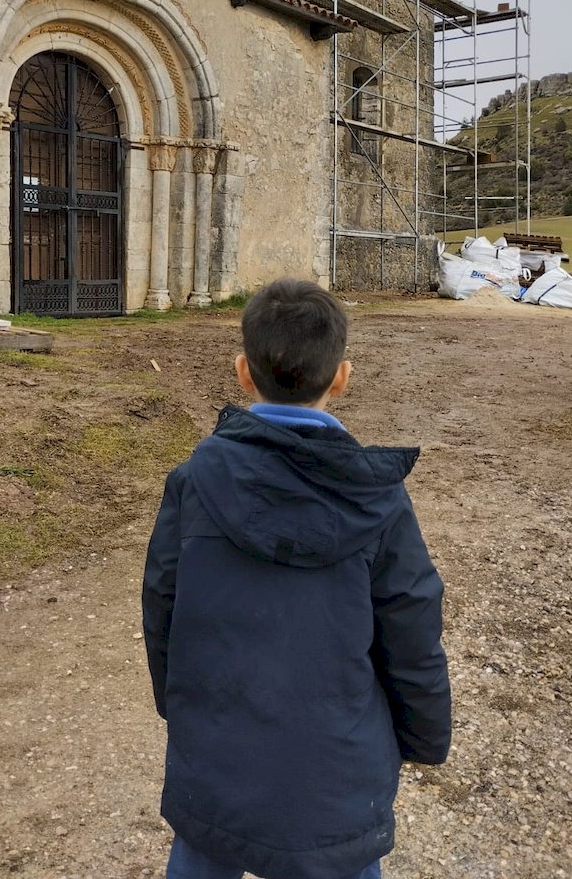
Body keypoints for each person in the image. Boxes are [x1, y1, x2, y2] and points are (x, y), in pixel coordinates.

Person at [142, 278, 451, 879]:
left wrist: (179, 704)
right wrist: (425, 735)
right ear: (341, 377)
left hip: (217, 758)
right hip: (336, 771)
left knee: (204, 854)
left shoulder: (193, 484)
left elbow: (163, 604)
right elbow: (412, 627)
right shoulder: (379, 503)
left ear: (242, 370)